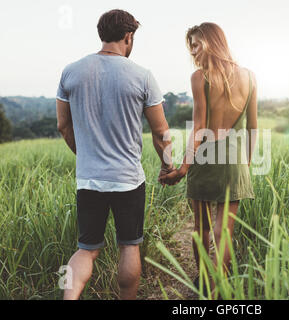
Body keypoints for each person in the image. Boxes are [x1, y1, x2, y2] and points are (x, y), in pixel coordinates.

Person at [56, 9, 173, 300]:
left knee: (86, 249)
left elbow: (63, 125)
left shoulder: (71, 71)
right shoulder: (142, 75)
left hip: (88, 179)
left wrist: (85, 157)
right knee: (129, 245)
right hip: (128, 181)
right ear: (128, 36)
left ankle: (68, 297)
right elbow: (161, 133)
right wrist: (167, 165)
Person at [160, 22, 258, 293]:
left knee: (202, 228)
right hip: (235, 160)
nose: (192, 51)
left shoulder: (199, 78)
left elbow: (199, 129)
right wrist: (245, 165)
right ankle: (218, 287)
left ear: (211, 42)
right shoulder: (250, 76)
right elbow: (252, 128)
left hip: (205, 157)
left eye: (195, 44)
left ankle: (205, 281)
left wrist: (182, 168)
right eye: (190, 45)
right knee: (224, 230)